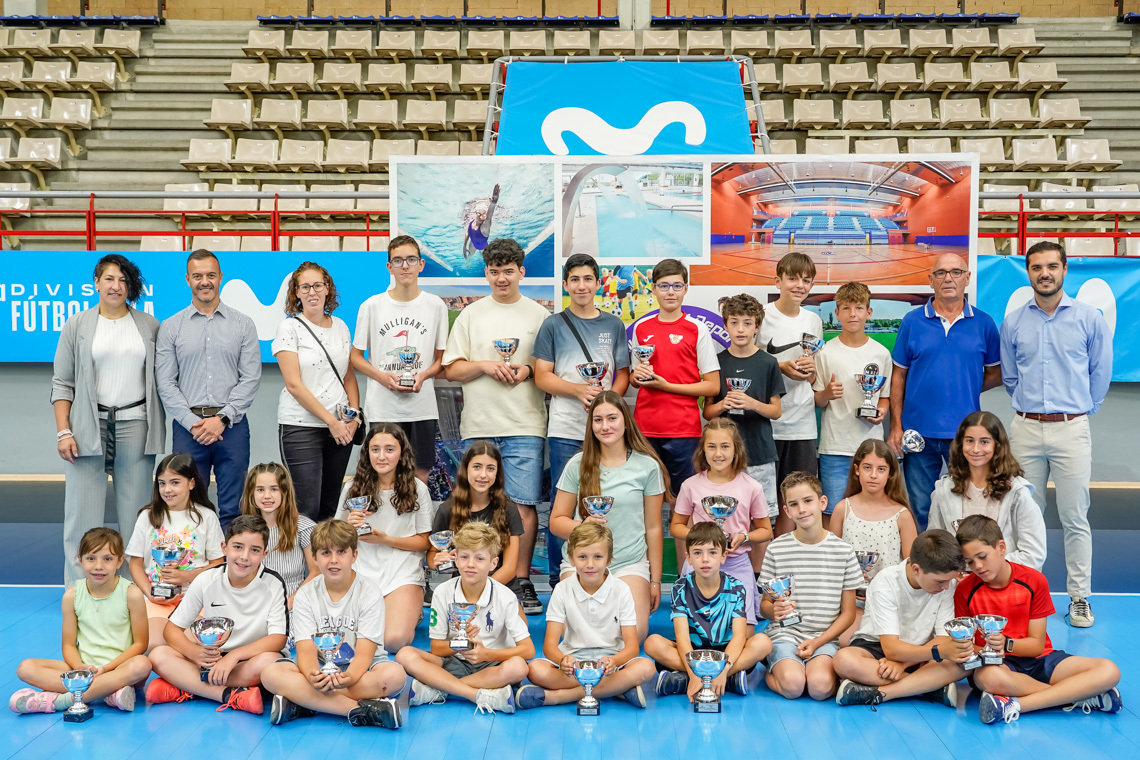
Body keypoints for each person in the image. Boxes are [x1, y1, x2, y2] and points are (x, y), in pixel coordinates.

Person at [999, 241, 1112, 628]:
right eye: (1036, 267)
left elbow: (1100, 373)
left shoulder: (1088, 318)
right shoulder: (1013, 321)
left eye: (1051, 266)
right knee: (1022, 516)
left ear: (1064, 270)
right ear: (1028, 273)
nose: (1044, 273)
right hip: (1025, 430)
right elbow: (1011, 377)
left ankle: (1079, 598)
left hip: (1072, 430)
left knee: (1074, 516)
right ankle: (1023, 595)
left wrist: (1079, 411)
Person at [443, 238, 549, 615]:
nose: (501, 278)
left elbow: (548, 368)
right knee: (477, 504)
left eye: (508, 271)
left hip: (525, 422)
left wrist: (529, 370)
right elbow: (452, 369)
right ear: (485, 273)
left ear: (522, 271)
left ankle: (520, 581)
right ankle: (473, 580)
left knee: (522, 504)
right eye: (494, 271)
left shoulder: (539, 315)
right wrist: (487, 365)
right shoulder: (472, 315)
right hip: (480, 425)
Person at [51, 254, 166, 585]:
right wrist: (64, 431)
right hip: (89, 426)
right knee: (81, 516)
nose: (116, 286)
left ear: (131, 286)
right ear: (96, 283)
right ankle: (78, 591)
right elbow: (62, 382)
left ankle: (137, 590)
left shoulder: (148, 325)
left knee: (137, 517)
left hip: (136, 424)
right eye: (109, 279)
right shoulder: (77, 325)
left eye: (123, 280)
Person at [954, 516, 1122, 725]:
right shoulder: (964, 590)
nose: (977, 566)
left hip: (1040, 659)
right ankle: (1078, 696)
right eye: (969, 562)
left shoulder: (1034, 580)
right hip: (999, 666)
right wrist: (987, 650)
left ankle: (1016, 705)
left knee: (1109, 670)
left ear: (1001, 547)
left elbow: (1036, 646)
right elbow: (968, 646)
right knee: (988, 679)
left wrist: (1006, 643)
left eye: (982, 556)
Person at [534, 253, 630, 586]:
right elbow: (542, 376)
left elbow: (622, 375)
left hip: (605, 432)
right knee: (563, 506)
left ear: (598, 283)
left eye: (588, 279)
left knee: (604, 501)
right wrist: (578, 391)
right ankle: (560, 577)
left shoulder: (613, 325)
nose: (581, 285)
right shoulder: (553, 325)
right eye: (574, 279)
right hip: (566, 428)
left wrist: (606, 402)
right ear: (565, 285)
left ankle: (606, 572)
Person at [887, 254, 1002, 530]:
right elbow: (898, 376)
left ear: (967, 278)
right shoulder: (912, 321)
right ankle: (925, 569)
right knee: (919, 508)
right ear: (930, 280)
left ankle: (962, 569)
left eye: (955, 272)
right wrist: (896, 427)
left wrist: (965, 386)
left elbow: (995, 374)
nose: (948, 278)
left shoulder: (984, 324)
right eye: (940, 273)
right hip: (918, 435)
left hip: (965, 436)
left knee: (965, 505)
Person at [261, 519, 406, 729]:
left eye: (341, 552)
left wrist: (350, 677)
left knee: (394, 677)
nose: (334, 560)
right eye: (326, 553)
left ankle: (303, 703)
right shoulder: (306, 594)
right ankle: (362, 711)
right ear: (314, 557)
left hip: (362, 669)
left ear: (354, 555)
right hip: (319, 668)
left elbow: (366, 652)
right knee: (269, 674)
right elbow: (305, 650)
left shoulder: (369, 592)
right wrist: (313, 678)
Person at [549, 392, 667, 642]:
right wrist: (582, 526)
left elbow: (654, 528)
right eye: (598, 420)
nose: (605, 426)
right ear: (591, 425)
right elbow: (557, 521)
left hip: (629, 563)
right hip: (582, 562)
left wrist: (655, 581)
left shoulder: (647, 466)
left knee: (634, 634)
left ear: (625, 420)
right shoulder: (577, 465)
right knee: (568, 634)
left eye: (612, 418)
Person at [156, 249, 261, 529]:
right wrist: (193, 424)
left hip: (233, 426)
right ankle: (198, 568)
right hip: (188, 428)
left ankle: (231, 568)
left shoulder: (243, 324)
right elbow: (166, 383)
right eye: (198, 276)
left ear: (220, 278)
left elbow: (250, 378)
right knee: (190, 505)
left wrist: (222, 419)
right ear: (188, 279)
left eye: (211, 275)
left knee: (234, 504)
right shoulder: (171, 327)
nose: (205, 281)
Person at [146, 515, 288, 715]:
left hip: (248, 661)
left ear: (264, 554)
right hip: (210, 660)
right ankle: (231, 695)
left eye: (254, 550)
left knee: (270, 663)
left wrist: (234, 657)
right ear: (224, 548)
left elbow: (278, 639)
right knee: (158, 655)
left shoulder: (273, 582)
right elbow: (172, 630)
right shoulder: (206, 579)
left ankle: (188, 686)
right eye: (237, 547)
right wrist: (194, 653)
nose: (244, 556)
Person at [629, 258, 720, 567]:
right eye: (664, 286)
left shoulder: (696, 330)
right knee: (644, 507)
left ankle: (687, 575)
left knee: (684, 508)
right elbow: (633, 377)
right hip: (644, 431)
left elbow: (711, 386)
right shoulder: (642, 328)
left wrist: (668, 386)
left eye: (677, 286)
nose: (670, 292)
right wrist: (638, 377)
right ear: (653, 289)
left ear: (686, 288)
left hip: (684, 431)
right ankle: (642, 572)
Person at [516, 523, 656, 710]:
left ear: (609, 559)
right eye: (582, 557)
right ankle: (618, 689)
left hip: (610, 665)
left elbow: (631, 647)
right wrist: (562, 660)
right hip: (573, 664)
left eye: (598, 557)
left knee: (647, 667)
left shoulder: (621, 590)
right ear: (572, 559)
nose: (590, 564)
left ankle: (556, 697)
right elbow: (549, 645)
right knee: (534, 670)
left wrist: (615, 661)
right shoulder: (562, 589)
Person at [396, 522, 532, 714]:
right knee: (404, 655)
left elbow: (528, 650)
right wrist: (461, 643)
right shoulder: (443, 592)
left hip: (492, 665)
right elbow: (436, 648)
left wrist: (487, 654)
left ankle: (440, 690)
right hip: (454, 662)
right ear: (456, 559)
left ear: (493, 563)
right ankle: (478, 695)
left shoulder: (505, 596)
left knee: (519, 668)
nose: (470, 564)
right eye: (465, 557)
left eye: (479, 558)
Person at [11, 527, 150, 715]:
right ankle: (107, 693)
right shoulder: (72, 596)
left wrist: (107, 668)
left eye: (107, 559)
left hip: (118, 667)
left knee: (142, 665)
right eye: (91, 558)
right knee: (25, 668)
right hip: (85, 668)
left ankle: (61, 700)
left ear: (119, 561)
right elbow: (68, 645)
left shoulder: (131, 594)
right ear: (80, 560)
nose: (98, 566)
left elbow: (140, 643)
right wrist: (79, 668)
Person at [833, 529, 973, 708]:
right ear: (916, 569)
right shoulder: (885, 582)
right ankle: (930, 687)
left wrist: (902, 664)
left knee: (966, 662)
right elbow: (890, 648)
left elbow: (943, 640)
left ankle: (884, 693)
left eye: (949, 581)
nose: (946, 587)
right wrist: (901, 659)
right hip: (878, 648)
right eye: (939, 581)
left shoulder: (948, 584)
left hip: (924, 653)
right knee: (843, 660)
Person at [351, 235, 449, 483]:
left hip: (422, 407)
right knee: (383, 476)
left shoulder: (436, 305)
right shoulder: (371, 306)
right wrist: (382, 377)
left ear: (421, 264)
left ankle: (420, 524)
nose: (405, 265)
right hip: (384, 408)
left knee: (420, 477)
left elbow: (441, 359)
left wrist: (424, 375)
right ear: (389, 267)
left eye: (411, 259)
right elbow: (356, 357)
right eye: (398, 260)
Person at [760, 472, 861, 700]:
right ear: (786, 511)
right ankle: (769, 671)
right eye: (794, 504)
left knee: (819, 688)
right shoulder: (776, 549)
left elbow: (848, 614)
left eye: (808, 501)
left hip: (824, 638)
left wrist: (818, 642)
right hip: (784, 634)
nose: (802, 509)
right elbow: (764, 606)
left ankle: (823, 672)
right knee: (794, 687)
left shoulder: (843, 551)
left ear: (822, 502)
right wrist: (773, 610)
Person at [273, 261, 360, 522]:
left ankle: (327, 563)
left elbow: (348, 375)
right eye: (305, 287)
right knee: (306, 508)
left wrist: (354, 417)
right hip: (301, 427)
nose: (313, 292)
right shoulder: (289, 328)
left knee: (330, 507)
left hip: (340, 430)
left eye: (318, 285)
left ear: (328, 289)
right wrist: (332, 421)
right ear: (296, 293)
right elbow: (294, 384)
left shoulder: (341, 326)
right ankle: (302, 564)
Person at [646, 522, 773, 701]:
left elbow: (738, 637)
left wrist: (725, 667)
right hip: (692, 653)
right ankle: (725, 681)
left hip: (727, 652)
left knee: (763, 642)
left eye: (712, 552)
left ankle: (690, 680)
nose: (705, 559)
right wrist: (692, 672)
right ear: (688, 558)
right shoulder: (679, 588)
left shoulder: (737, 588)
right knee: (652, 643)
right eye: (697, 553)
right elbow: (682, 637)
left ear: (723, 556)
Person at [702, 292, 783, 571]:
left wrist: (752, 404)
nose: (740, 329)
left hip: (759, 453)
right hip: (723, 458)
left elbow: (775, 410)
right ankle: (724, 574)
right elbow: (707, 412)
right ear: (725, 325)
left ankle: (757, 579)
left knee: (762, 520)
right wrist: (724, 403)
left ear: (757, 326)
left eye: (747, 323)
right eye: (734, 322)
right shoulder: (716, 362)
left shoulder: (768, 363)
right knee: (723, 517)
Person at [336, 423, 432, 651]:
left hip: (402, 572)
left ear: (401, 454)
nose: (381, 456)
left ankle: (410, 611)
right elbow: (335, 540)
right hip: (361, 572)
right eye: (375, 449)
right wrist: (348, 528)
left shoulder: (418, 489)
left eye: (389, 449)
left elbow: (424, 542)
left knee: (394, 641)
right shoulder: (352, 488)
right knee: (344, 643)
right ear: (367, 452)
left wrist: (385, 540)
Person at [669, 418, 773, 629]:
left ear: (736, 450)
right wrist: (701, 542)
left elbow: (766, 531)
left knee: (745, 635)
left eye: (725, 446)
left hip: (737, 564)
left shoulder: (751, 487)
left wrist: (745, 537)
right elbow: (676, 527)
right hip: (699, 565)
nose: (718, 454)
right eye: (712, 447)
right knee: (696, 630)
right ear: (703, 451)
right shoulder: (690, 486)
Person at [125, 453, 225, 650]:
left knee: (192, 644)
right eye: (162, 483)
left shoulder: (206, 517)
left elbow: (218, 564)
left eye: (175, 482)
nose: (167, 490)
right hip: (158, 602)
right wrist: (150, 593)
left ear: (191, 483)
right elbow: (135, 564)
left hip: (197, 599)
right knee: (153, 645)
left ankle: (180, 677)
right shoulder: (148, 516)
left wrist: (186, 576)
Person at [812, 282, 893, 520]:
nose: (853, 314)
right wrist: (827, 393)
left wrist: (881, 412)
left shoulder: (881, 353)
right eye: (846, 308)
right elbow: (818, 400)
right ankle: (832, 557)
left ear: (869, 313)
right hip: (834, 446)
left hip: (872, 448)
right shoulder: (825, 352)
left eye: (859, 308)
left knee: (872, 511)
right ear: (836, 313)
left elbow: (885, 398)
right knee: (832, 511)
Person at [928, 412, 1047, 570]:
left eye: (984, 442)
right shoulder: (943, 491)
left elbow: (1033, 554)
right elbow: (936, 545)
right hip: (957, 584)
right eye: (969, 441)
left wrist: (985, 568)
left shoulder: (1018, 493)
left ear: (997, 445)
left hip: (1004, 585)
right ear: (960, 444)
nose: (976, 449)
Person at [758, 252, 822, 537]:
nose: (800, 285)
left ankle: (782, 561)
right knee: (761, 503)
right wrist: (778, 367)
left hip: (802, 425)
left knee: (796, 502)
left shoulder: (813, 321)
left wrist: (810, 371)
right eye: (793, 278)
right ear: (778, 281)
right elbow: (749, 364)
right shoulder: (761, 316)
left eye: (806, 280)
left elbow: (815, 374)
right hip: (766, 424)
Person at [429, 441, 523, 588]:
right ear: (466, 469)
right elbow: (432, 555)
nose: (483, 475)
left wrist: (482, 590)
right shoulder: (447, 509)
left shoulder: (508, 509)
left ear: (497, 473)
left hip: (502, 587)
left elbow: (509, 569)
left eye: (490, 468)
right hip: (463, 587)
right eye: (477, 467)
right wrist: (438, 560)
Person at [829, 440, 918, 596]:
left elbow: (911, 566)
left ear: (891, 473)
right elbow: (832, 560)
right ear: (857, 470)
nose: (873, 475)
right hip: (848, 597)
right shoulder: (843, 509)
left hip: (890, 597)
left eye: (881, 469)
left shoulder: (902, 515)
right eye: (867, 467)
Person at [239, 462, 318, 604]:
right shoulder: (242, 530)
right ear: (251, 493)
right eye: (260, 490)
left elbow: (316, 572)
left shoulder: (303, 527)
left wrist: (289, 603)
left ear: (285, 492)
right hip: (254, 603)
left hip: (294, 602)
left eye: (274, 489)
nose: (267, 496)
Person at [463, 183, 500, 262]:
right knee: (470, 254)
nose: (480, 217)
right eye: (479, 214)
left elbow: (489, 216)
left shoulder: (484, 227)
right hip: (472, 244)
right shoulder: (471, 222)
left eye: (483, 214)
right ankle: (468, 261)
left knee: (487, 259)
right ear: (475, 213)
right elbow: (468, 232)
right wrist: (464, 246)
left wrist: (494, 202)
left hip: (483, 247)